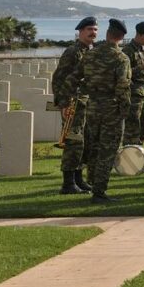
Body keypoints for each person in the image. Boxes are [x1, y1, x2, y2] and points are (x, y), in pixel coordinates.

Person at [63, 19, 132, 203]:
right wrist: (125, 111)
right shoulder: (121, 58)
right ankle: (99, 192)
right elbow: (123, 87)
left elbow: (72, 78)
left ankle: (92, 182)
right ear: (122, 37)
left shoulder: (90, 55)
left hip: (92, 106)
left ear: (108, 33)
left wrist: (67, 101)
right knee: (108, 150)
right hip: (111, 107)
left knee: (93, 147)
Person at [52, 16, 98, 195]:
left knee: (84, 143)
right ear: (80, 32)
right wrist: (63, 103)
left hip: (86, 103)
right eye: (89, 30)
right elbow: (58, 78)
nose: (93, 33)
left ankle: (79, 179)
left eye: (95, 30)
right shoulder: (73, 51)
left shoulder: (90, 51)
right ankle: (68, 183)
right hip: (73, 103)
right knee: (73, 142)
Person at [122, 21, 144, 149]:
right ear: (138, 34)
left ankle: (139, 159)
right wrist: (143, 67)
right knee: (133, 128)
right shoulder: (127, 51)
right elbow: (124, 74)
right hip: (132, 94)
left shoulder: (143, 50)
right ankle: (129, 160)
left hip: (142, 94)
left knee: (143, 127)